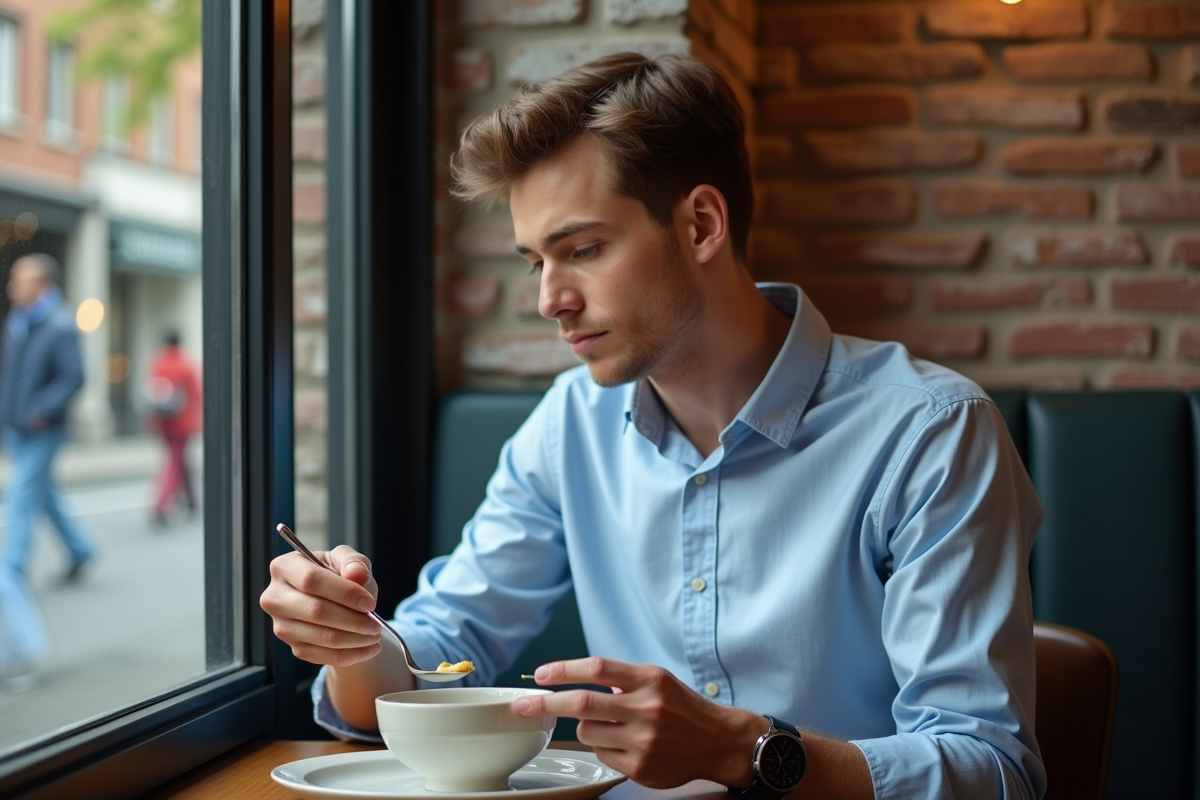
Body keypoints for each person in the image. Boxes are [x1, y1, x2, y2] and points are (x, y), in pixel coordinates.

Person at [261, 53, 1045, 800]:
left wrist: (744, 753)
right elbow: (439, 656)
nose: (550, 299)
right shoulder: (570, 422)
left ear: (702, 224)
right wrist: (352, 640)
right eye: (536, 261)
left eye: (584, 249)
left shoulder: (931, 432)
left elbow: (992, 773)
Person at [0, 253, 95, 584]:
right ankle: (81, 549)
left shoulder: (60, 324)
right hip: (17, 428)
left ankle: (9, 572)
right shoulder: (18, 322)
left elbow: (74, 376)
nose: (13, 288)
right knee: (44, 496)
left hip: (44, 430)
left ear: (43, 285)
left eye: (21, 281)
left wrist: (42, 409)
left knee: (21, 497)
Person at [145, 331, 202, 527]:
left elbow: (153, 392)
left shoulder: (158, 363)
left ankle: (193, 501)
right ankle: (160, 505)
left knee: (179, 460)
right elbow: (196, 394)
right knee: (175, 463)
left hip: (164, 423)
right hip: (183, 423)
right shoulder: (185, 364)